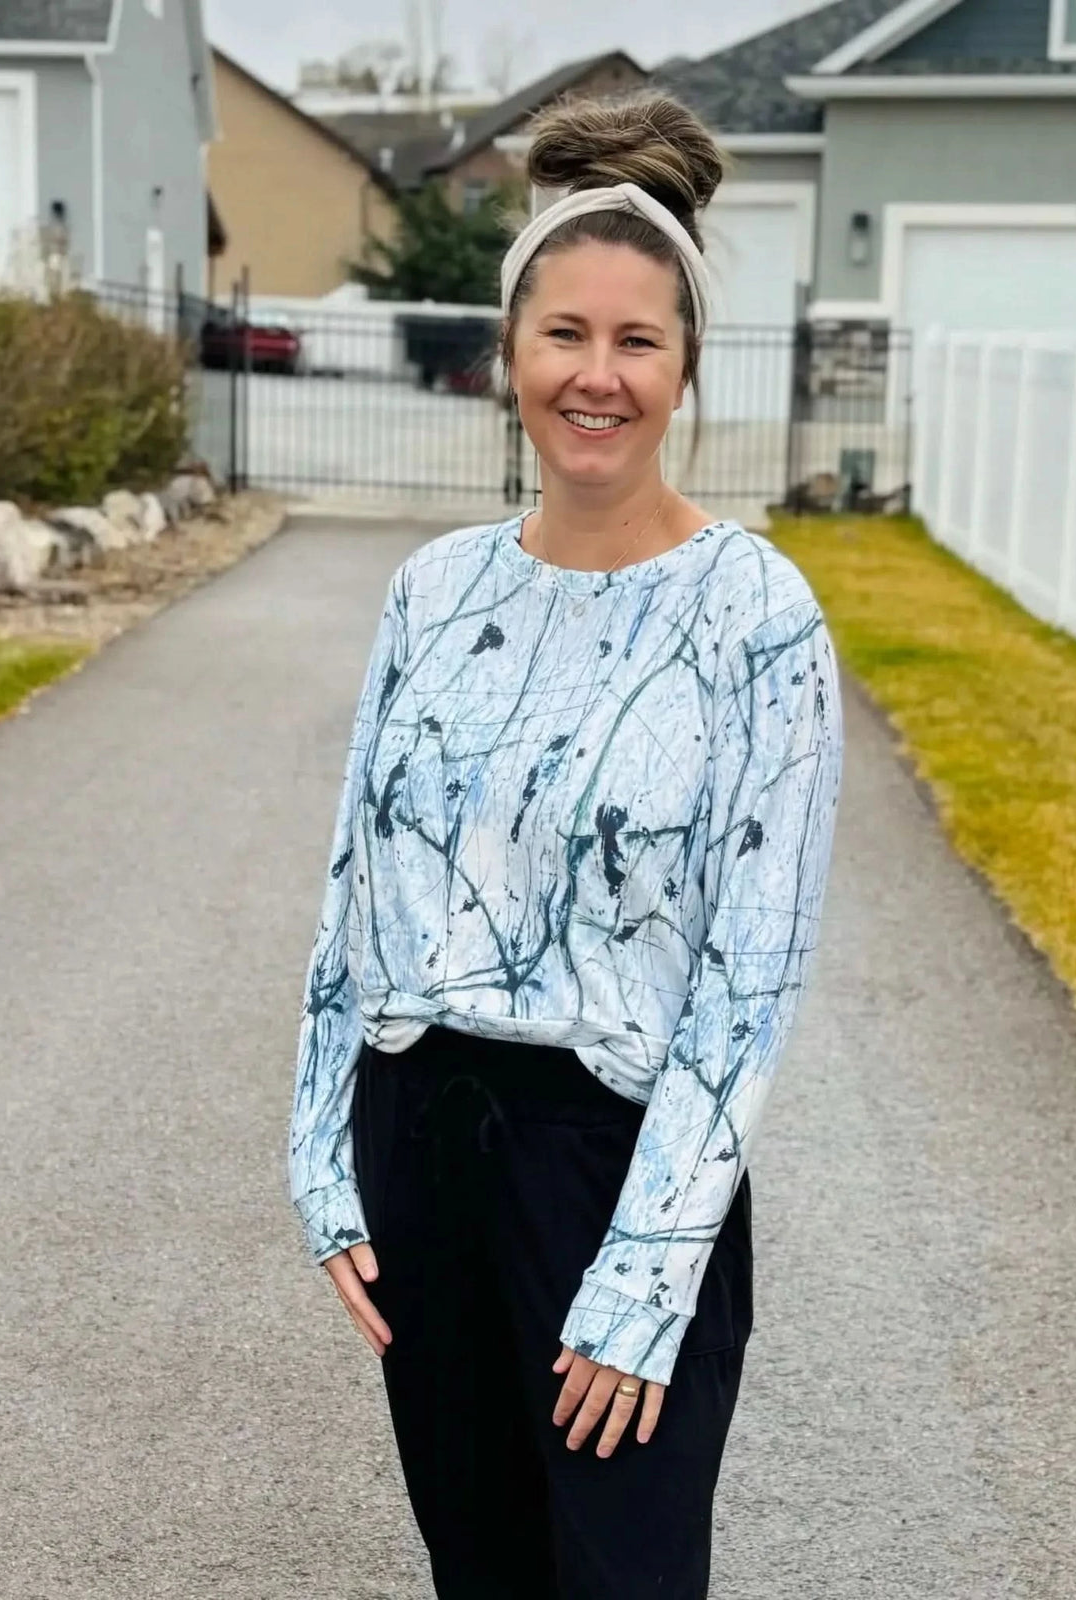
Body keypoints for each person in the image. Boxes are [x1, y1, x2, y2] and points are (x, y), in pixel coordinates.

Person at [288, 91, 845, 1600]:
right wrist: (322, 1160)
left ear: (683, 371)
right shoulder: (431, 592)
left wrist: (649, 1273)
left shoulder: (756, 618)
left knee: (625, 1579)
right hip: (423, 1147)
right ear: (509, 358)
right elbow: (360, 888)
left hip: (616, 1160)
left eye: (637, 342)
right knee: (482, 1569)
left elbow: (754, 972)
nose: (596, 377)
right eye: (565, 336)